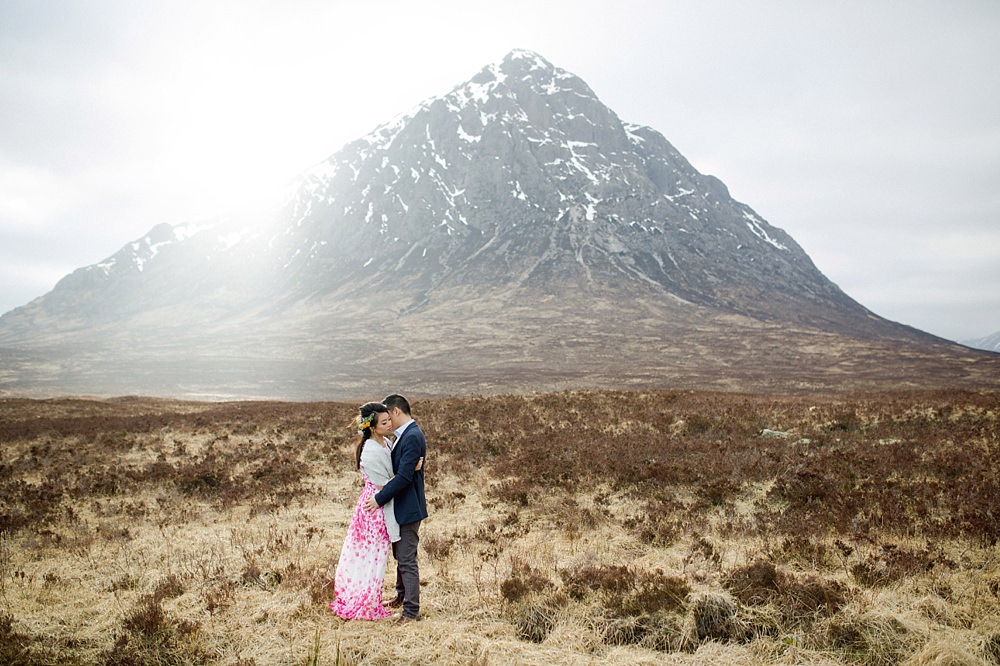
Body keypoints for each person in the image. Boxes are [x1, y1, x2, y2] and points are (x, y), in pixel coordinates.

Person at [329, 402, 397, 620]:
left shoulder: (385, 442)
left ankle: (371, 598)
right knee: (373, 556)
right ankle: (367, 604)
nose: (389, 424)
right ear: (372, 427)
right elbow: (383, 488)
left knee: (376, 556)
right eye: (384, 422)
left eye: (389, 420)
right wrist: (406, 475)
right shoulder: (370, 452)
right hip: (374, 509)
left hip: (378, 504)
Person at [365, 394, 427, 624]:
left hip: (408, 507)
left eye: (388, 416)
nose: (388, 422)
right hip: (403, 506)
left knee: (407, 559)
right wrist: (408, 469)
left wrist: (379, 499)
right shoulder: (404, 436)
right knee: (401, 555)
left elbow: (402, 479)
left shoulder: (411, 436)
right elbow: (402, 471)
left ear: (396, 411)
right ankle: (401, 596)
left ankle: (411, 611)